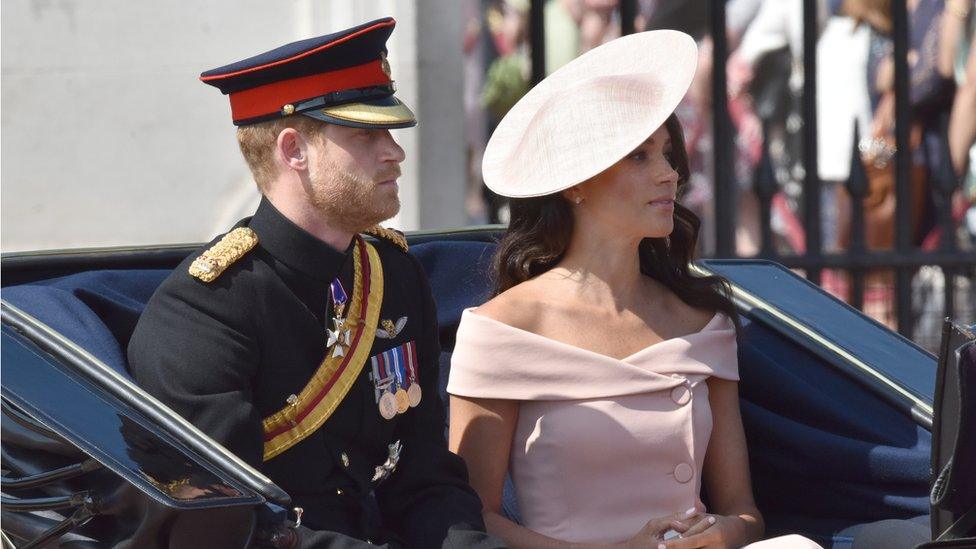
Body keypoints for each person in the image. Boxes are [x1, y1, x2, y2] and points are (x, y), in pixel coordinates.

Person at [128, 18, 502, 549]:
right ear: (293, 150)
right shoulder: (206, 309)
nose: (395, 152)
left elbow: (424, 481)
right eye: (366, 134)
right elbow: (227, 521)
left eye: (390, 132)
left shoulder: (391, 273)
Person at [447, 30, 822, 549]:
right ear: (575, 181)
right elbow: (473, 520)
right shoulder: (501, 329)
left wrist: (724, 533)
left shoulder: (701, 321)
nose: (671, 175)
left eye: (668, 155)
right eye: (641, 157)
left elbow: (743, 512)